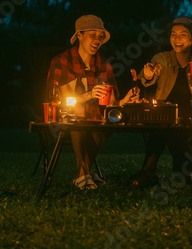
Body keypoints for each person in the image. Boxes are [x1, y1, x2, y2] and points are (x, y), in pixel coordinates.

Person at [46, 14, 138, 189]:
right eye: (93, 35)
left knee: (102, 122)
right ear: (79, 35)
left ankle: (84, 174)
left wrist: (125, 100)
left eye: (101, 37)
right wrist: (89, 95)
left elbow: (111, 104)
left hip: (95, 116)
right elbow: (62, 101)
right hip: (65, 114)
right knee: (79, 115)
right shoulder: (62, 61)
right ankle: (84, 173)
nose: (98, 40)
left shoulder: (103, 64)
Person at [131, 16, 192, 192]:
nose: (176, 39)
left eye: (183, 34)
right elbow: (147, 76)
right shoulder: (163, 58)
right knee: (168, 124)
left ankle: (148, 171)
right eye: (173, 34)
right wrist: (148, 73)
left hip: (190, 117)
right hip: (162, 114)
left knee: (172, 127)